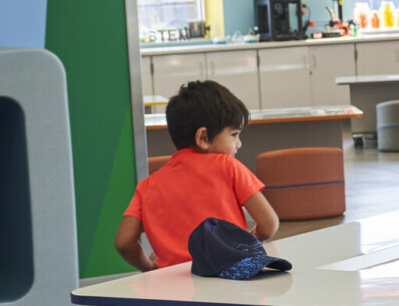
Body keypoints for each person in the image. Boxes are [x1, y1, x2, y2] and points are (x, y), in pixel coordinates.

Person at [114, 80, 279, 271]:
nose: (238, 143)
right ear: (203, 138)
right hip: (230, 278)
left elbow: (123, 242)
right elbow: (269, 224)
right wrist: (250, 240)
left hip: (174, 286)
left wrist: (149, 269)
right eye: (234, 134)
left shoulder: (147, 186)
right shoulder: (228, 166)